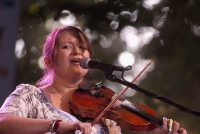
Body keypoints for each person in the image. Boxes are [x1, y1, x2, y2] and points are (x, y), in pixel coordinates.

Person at [0, 26, 187, 134]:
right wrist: (57, 125)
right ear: (49, 60)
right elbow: (3, 123)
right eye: (67, 46)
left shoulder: (107, 119)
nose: (77, 51)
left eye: (83, 48)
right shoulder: (31, 96)